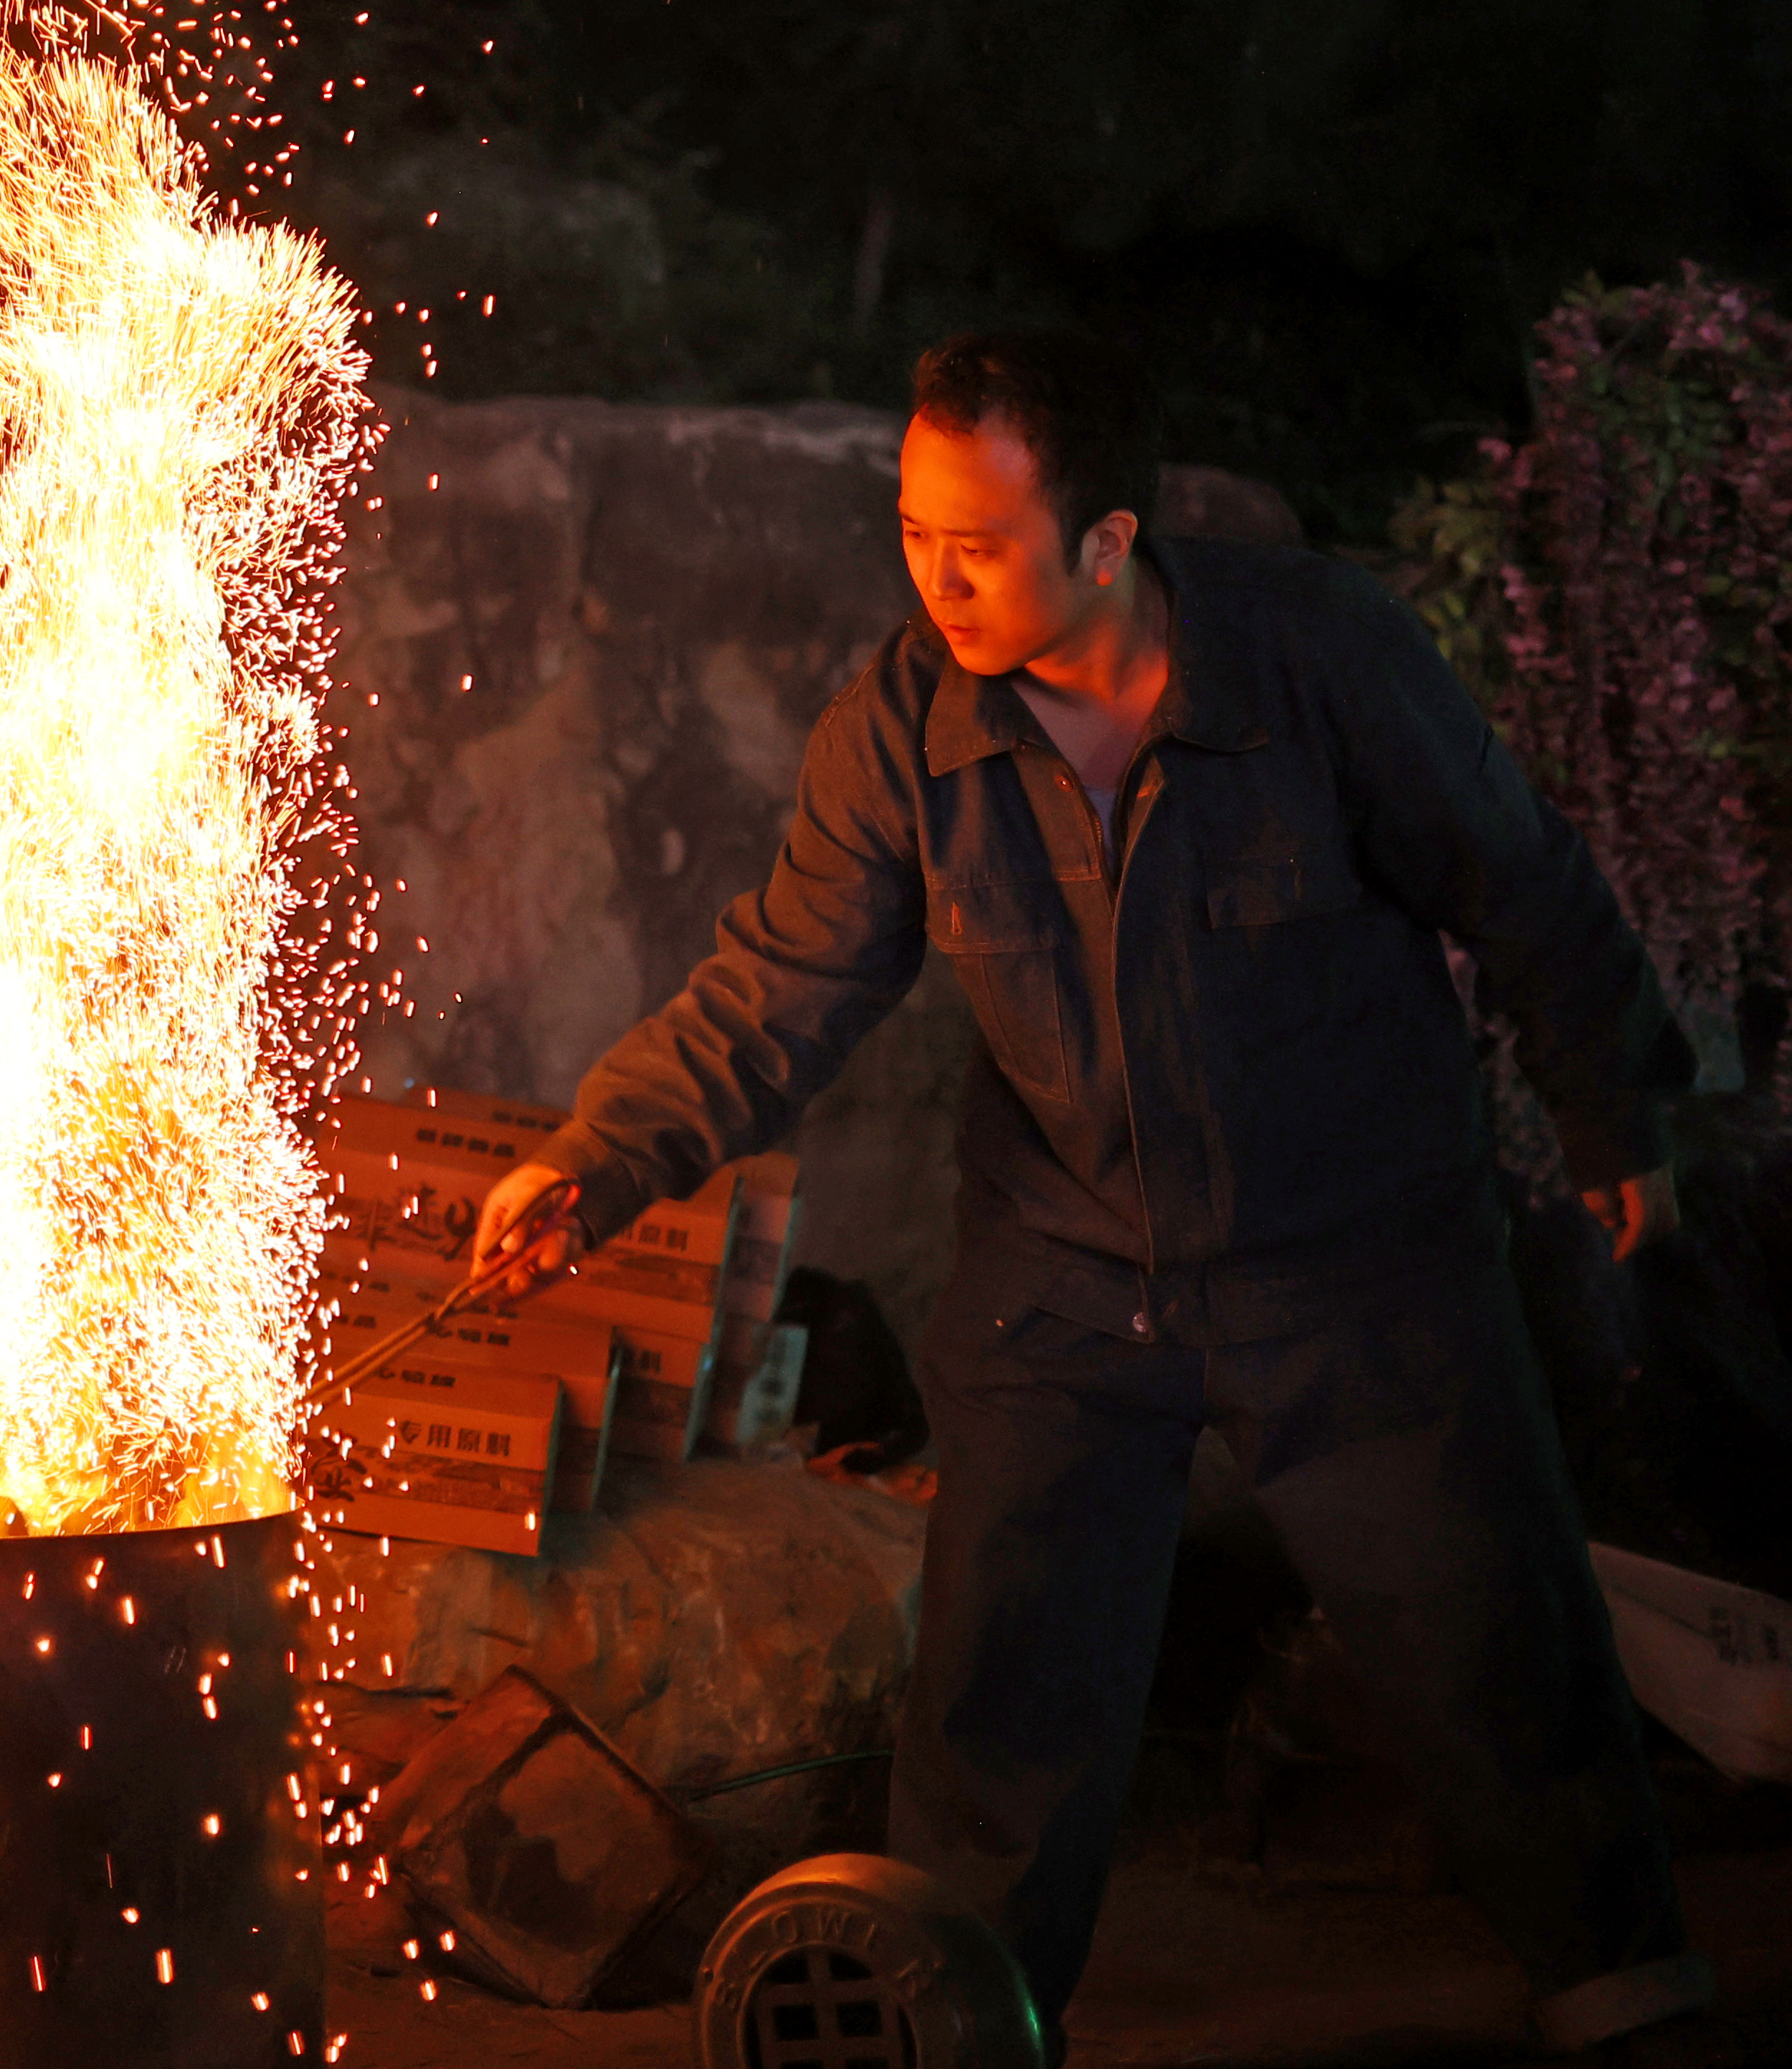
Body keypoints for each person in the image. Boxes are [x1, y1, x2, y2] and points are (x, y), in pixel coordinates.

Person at [458, 331, 1724, 2064]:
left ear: (1112, 538)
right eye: (913, 533)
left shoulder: (1322, 664)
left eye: (975, 543)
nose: (934, 578)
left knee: (1491, 1631)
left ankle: (1624, 1985)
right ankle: (950, 2010)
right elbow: (776, 992)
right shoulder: (903, 726)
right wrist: (593, 1166)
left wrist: (1618, 1115)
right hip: (1063, 1278)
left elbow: (1523, 886)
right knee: (1001, 1689)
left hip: (1357, 1263)